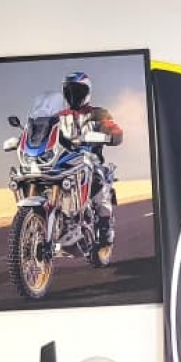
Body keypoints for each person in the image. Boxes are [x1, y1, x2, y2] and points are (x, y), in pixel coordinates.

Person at [56, 71, 124, 245]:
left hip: (90, 160)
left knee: (99, 184)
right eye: (69, 91)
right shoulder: (59, 116)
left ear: (86, 92)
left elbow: (114, 130)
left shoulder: (99, 113)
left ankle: (105, 229)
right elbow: (45, 131)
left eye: (78, 91)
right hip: (64, 160)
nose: (73, 95)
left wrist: (111, 136)